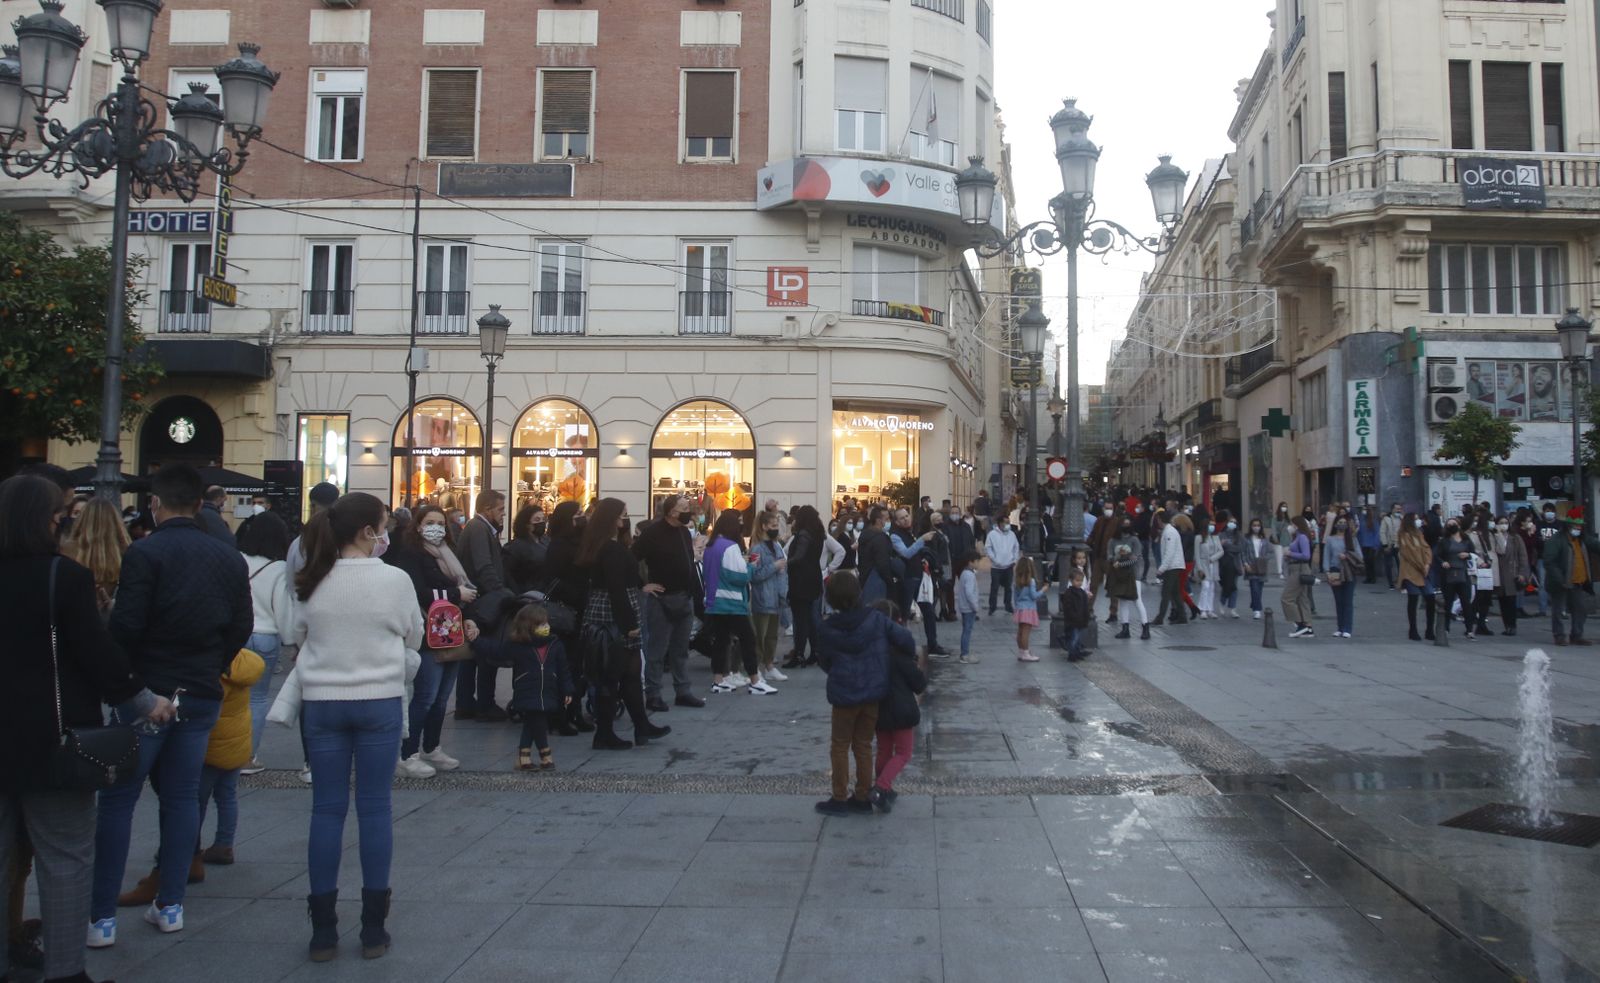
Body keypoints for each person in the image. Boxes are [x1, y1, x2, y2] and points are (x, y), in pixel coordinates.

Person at [1, 475, 171, 983]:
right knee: (64, 857)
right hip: (51, 739)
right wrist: (146, 702)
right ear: (49, 520)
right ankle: (65, 971)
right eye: (64, 512)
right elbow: (98, 657)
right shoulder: (63, 578)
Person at [90, 464, 252, 945]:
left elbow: (127, 626)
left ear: (156, 505)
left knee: (119, 799)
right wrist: (211, 664)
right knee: (182, 798)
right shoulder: (228, 557)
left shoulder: (145, 552)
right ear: (202, 504)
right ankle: (171, 904)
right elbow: (240, 625)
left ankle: (101, 918)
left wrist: (132, 681)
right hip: (200, 690)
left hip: (149, 690)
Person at [283, 492, 423, 962]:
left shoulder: (312, 577)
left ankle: (322, 930)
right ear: (368, 532)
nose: (386, 533)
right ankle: (373, 929)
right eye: (383, 525)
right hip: (378, 699)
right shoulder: (395, 579)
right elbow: (413, 632)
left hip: (322, 703)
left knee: (326, 810)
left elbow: (296, 635)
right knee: (375, 808)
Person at [383, 504, 476, 778]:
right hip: (427, 633)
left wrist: (469, 618)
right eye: (430, 522)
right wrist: (455, 594)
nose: (436, 527)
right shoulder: (411, 553)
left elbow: (466, 588)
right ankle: (407, 752)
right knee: (425, 695)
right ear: (418, 525)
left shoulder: (449, 554)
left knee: (441, 698)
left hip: (451, 631)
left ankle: (432, 746)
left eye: (440, 523)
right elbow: (417, 591)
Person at [577, 498, 674, 748]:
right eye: (622, 514)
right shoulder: (610, 549)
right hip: (613, 615)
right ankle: (605, 733)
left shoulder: (604, 545)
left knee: (629, 673)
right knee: (612, 674)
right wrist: (628, 623)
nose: (624, 519)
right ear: (610, 518)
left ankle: (641, 726)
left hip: (612, 611)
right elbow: (616, 588)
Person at [814, 571, 908, 816]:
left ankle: (839, 796)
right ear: (858, 593)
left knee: (840, 745)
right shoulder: (875, 619)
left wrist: (836, 671)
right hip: (872, 692)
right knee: (864, 744)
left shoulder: (827, 628)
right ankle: (863, 795)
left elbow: (823, 660)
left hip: (844, 694)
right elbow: (905, 639)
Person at [472, 604, 573, 770]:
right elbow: (495, 650)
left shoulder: (555, 645)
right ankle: (544, 755)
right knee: (538, 720)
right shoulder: (517, 646)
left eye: (546, 623)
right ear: (529, 627)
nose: (546, 627)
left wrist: (567, 689)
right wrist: (476, 641)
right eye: (541, 624)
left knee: (533, 722)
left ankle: (525, 756)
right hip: (527, 690)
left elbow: (563, 669)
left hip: (547, 690)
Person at [633, 495, 707, 710]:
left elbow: (688, 561)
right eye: (683, 508)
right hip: (662, 599)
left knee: (680, 648)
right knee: (657, 649)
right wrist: (643, 585)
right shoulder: (652, 533)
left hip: (684, 597)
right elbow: (632, 558)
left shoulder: (684, 532)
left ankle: (682, 690)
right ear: (671, 512)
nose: (688, 511)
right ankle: (653, 694)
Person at [234, 512, 293, 776]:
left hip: (236, 634)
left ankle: (224, 751)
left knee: (231, 697)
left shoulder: (238, 560)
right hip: (265, 636)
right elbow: (282, 610)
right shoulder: (279, 569)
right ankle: (248, 757)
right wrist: (291, 641)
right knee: (257, 699)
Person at [196, 645, 266, 866]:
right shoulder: (242, 662)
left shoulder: (214, 671)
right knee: (227, 796)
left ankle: (188, 846)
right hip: (237, 743)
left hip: (212, 746)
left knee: (197, 799)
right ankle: (224, 844)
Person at [700, 510, 776, 696]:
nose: (742, 526)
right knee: (748, 640)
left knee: (721, 641)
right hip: (732, 602)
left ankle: (718, 680)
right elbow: (740, 576)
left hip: (714, 601)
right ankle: (755, 680)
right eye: (739, 522)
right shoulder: (730, 546)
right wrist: (750, 566)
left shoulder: (711, 546)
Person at [454, 490, 512, 722]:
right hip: (482, 601)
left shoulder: (480, 529)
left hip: (478, 598)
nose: (503, 514)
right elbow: (483, 565)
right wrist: (500, 592)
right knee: (485, 652)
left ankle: (466, 703)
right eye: (500, 509)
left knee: (472, 654)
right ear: (487, 509)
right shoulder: (478, 529)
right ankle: (483, 704)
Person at [870, 607, 926, 814]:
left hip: (878, 707)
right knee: (904, 752)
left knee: (884, 749)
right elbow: (919, 684)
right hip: (901, 710)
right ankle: (881, 787)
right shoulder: (900, 655)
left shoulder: (872, 653)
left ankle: (885, 788)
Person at [61, 497, 130, 617]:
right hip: (111, 620)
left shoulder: (67, 549)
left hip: (74, 616)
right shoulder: (127, 551)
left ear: (83, 519)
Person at [782, 506, 827, 670]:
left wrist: (786, 563)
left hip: (801, 581)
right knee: (813, 619)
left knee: (800, 619)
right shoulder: (818, 534)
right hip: (814, 578)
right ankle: (815, 652)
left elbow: (799, 557)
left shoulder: (803, 535)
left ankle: (799, 653)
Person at [1543, 508, 1594, 646]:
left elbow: (1595, 544)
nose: (1578, 528)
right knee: (1558, 610)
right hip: (1561, 582)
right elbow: (1549, 561)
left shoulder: (1582, 539)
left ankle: (1577, 635)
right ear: (1568, 526)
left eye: (1580, 526)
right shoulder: (1557, 540)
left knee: (1580, 609)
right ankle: (1559, 635)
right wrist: (1560, 579)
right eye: (1575, 526)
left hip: (1578, 580)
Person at [750, 510, 791, 682]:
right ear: (764, 526)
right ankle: (757, 668)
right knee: (760, 636)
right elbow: (754, 574)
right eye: (773, 526)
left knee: (773, 636)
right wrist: (774, 566)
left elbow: (783, 571)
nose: (775, 529)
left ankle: (769, 666)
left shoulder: (777, 546)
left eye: (777, 526)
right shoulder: (756, 548)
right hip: (763, 598)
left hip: (777, 598)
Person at [1397, 513, 1436, 641]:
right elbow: (1410, 553)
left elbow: (1427, 549)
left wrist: (1427, 563)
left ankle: (1430, 629)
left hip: (1423, 570)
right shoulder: (1403, 535)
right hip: (1411, 571)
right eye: (1416, 519)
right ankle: (1413, 629)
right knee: (1413, 598)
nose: (1418, 521)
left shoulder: (1419, 533)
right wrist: (1422, 566)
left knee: (1430, 597)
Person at [1435, 518, 1475, 639]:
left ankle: (1469, 629)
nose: (1452, 526)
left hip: (1463, 573)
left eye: (1454, 524)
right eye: (1449, 525)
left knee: (1466, 603)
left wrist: (1467, 555)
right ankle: (1446, 628)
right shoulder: (1445, 541)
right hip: (1449, 574)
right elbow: (1437, 555)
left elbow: (1473, 553)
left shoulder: (1466, 540)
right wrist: (1443, 562)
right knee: (1448, 602)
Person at [1324, 514, 1361, 638]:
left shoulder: (1352, 539)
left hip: (1349, 571)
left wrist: (1347, 556)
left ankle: (1347, 628)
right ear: (1335, 524)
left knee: (1348, 601)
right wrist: (1327, 572)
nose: (1342, 524)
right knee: (1338, 601)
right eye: (1339, 522)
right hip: (1335, 570)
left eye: (1344, 522)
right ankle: (1340, 627)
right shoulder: (1330, 539)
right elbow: (1326, 556)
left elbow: (1360, 556)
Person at [1494, 515, 1530, 637]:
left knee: (1511, 601)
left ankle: (1512, 626)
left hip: (1512, 573)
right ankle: (1507, 625)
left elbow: (1522, 556)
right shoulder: (1494, 537)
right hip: (1499, 573)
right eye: (1501, 522)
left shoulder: (1515, 538)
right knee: (1502, 601)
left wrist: (1522, 573)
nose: (1504, 524)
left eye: (1505, 522)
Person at [1281, 515, 1316, 637]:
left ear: (1297, 525)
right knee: (1302, 598)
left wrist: (1290, 553)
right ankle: (1308, 626)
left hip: (1299, 569)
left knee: (1287, 598)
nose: (1290, 527)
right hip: (1296, 567)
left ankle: (1300, 623)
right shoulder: (1297, 537)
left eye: (1292, 524)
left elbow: (1306, 555)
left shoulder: (1302, 537)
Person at [855, 507, 897, 606]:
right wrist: (890, 581)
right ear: (878, 520)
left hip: (865, 576)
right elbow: (883, 563)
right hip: (877, 579)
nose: (888, 521)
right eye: (886, 519)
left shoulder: (865, 534)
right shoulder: (880, 538)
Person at [503, 505, 549, 595]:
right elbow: (508, 574)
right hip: (527, 593)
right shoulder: (516, 546)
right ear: (527, 524)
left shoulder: (546, 540)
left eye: (543, 519)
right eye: (537, 520)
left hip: (545, 591)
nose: (541, 522)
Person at [1153, 511, 1187, 626]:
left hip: (1172, 566)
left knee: (1165, 593)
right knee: (1175, 592)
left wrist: (1162, 568)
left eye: (1158, 519)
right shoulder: (1169, 531)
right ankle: (1182, 616)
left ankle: (1160, 618)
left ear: (1161, 520)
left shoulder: (1169, 532)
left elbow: (1169, 552)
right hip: (1174, 565)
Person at [984, 513, 1020, 614]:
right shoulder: (992, 534)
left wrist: (1014, 559)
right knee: (994, 587)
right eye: (1006, 523)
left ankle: (1008, 605)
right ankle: (992, 606)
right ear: (1000, 523)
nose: (1008, 524)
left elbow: (1016, 547)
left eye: (1008, 522)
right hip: (996, 567)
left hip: (1008, 565)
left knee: (1008, 587)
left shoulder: (1012, 534)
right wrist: (994, 559)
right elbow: (988, 548)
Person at [1241, 518, 1272, 619]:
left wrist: (1265, 559)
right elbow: (1243, 552)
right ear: (1251, 526)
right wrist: (1246, 564)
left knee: (1259, 589)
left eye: (1258, 525)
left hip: (1261, 566)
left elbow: (1270, 552)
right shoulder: (1246, 538)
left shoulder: (1264, 539)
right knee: (1254, 588)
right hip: (1251, 565)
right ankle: (1257, 610)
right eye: (1254, 525)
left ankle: (1254, 604)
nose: (1256, 527)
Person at [1013, 555, 1041, 662]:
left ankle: (1021, 651)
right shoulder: (1031, 581)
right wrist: (1043, 590)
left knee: (1020, 631)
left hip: (1020, 608)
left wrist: (1016, 606)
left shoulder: (1017, 581)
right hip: (1029, 609)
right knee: (1026, 632)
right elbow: (1034, 596)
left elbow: (1015, 597)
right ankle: (1026, 652)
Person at [955, 549, 981, 664]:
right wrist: (975, 606)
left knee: (966, 630)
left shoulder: (964, 573)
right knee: (967, 631)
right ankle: (964, 654)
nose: (978, 563)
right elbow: (969, 593)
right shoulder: (969, 575)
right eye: (977, 561)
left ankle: (964, 653)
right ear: (971, 562)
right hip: (968, 608)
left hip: (964, 606)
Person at [1194, 519, 1222, 619]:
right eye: (1210, 524)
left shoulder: (1215, 538)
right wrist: (1199, 568)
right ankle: (1202, 609)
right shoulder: (1199, 538)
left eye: (1213, 525)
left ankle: (1210, 609)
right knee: (1205, 586)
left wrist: (1213, 558)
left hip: (1213, 565)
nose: (1212, 526)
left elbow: (1221, 551)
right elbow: (1196, 554)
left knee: (1212, 587)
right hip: (1203, 564)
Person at [1379, 503, 1404, 590]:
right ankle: (1391, 583)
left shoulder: (1402, 518)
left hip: (1400, 545)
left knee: (1401, 564)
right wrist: (1385, 544)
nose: (1399, 510)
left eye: (1400, 509)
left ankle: (1401, 582)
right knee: (1389, 565)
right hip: (1389, 545)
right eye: (1397, 509)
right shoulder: (1386, 519)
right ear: (1392, 509)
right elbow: (1382, 532)